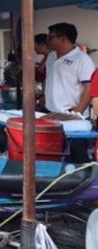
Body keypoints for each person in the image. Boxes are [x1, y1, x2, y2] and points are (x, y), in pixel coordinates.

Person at [45, 22, 95, 162]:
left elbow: (89, 87)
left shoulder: (82, 59)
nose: (47, 40)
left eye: (51, 37)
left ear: (62, 39)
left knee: (77, 156)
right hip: (52, 114)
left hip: (72, 116)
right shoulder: (51, 56)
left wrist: (77, 113)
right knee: (53, 154)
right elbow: (51, 79)